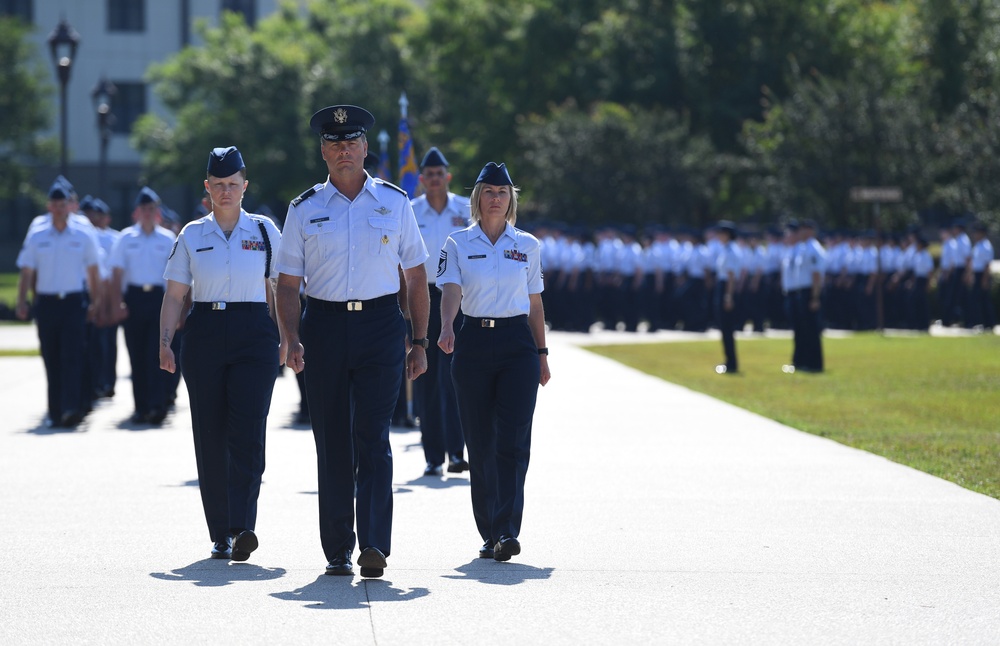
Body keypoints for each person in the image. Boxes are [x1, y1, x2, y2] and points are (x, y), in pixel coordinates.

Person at [274, 104, 429, 579]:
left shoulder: (394, 202)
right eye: (334, 143)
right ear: (323, 151)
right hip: (323, 328)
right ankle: (339, 547)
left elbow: (417, 277)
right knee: (333, 440)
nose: (343, 150)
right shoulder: (303, 210)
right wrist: (291, 337)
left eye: (351, 142)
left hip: (381, 325)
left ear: (365, 148)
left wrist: (419, 340)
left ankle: (375, 545)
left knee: (374, 437)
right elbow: (286, 284)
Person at [159, 146, 282, 562]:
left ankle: (243, 525)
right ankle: (220, 533)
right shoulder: (192, 234)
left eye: (233, 185)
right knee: (210, 435)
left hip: (254, 335)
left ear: (245, 187)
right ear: (207, 188)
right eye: (218, 185)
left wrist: (288, 338)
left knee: (248, 431)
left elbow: (281, 290)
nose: (226, 192)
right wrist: (164, 343)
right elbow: (175, 295)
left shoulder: (265, 231)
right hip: (206, 332)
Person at [437, 162, 551, 562]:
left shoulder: (528, 245)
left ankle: (507, 530)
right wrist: (447, 326)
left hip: (517, 344)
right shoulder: (457, 243)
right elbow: (450, 289)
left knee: (515, 438)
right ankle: (489, 530)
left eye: (503, 193)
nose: (496, 199)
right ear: (477, 198)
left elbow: (535, 302)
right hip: (472, 340)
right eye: (489, 192)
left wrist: (542, 353)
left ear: (511, 200)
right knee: (480, 441)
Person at [16, 179, 102, 427]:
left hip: (74, 302)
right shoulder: (37, 235)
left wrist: (95, 301)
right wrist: (22, 301)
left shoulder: (83, 234)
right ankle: (55, 411)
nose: (59, 209)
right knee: (51, 357)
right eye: (55, 204)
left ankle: (71, 409)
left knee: (72, 356)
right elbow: (27, 272)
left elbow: (93, 271)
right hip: (47, 303)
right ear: (49, 207)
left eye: (63, 204)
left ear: (69, 206)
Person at [410, 146, 471, 477]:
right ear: (422, 180)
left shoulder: (465, 209)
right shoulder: (410, 210)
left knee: (458, 376)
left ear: (448, 177)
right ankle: (433, 455)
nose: (435, 179)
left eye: (440, 174)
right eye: (429, 175)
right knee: (428, 380)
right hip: (422, 298)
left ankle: (457, 451)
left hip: (457, 298)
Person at [110, 187, 177, 425]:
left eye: (151, 209)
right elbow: (116, 273)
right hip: (134, 300)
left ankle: (157, 406)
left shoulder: (167, 239)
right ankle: (141, 407)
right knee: (137, 355)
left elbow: (174, 277)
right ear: (137, 212)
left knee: (157, 352)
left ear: (156, 212)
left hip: (159, 300)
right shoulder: (125, 238)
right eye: (144, 209)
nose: (148, 213)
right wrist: (118, 302)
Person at [713, 221, 742, 374]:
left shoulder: (731, 251)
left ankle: (732, 363)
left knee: (727, 328)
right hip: (722, 286)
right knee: (724, 328)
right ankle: (728, 361)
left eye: (721, 233)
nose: (718, 236)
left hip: (727, 288)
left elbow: (731, 276)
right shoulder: (725, 249)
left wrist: (728, 296)